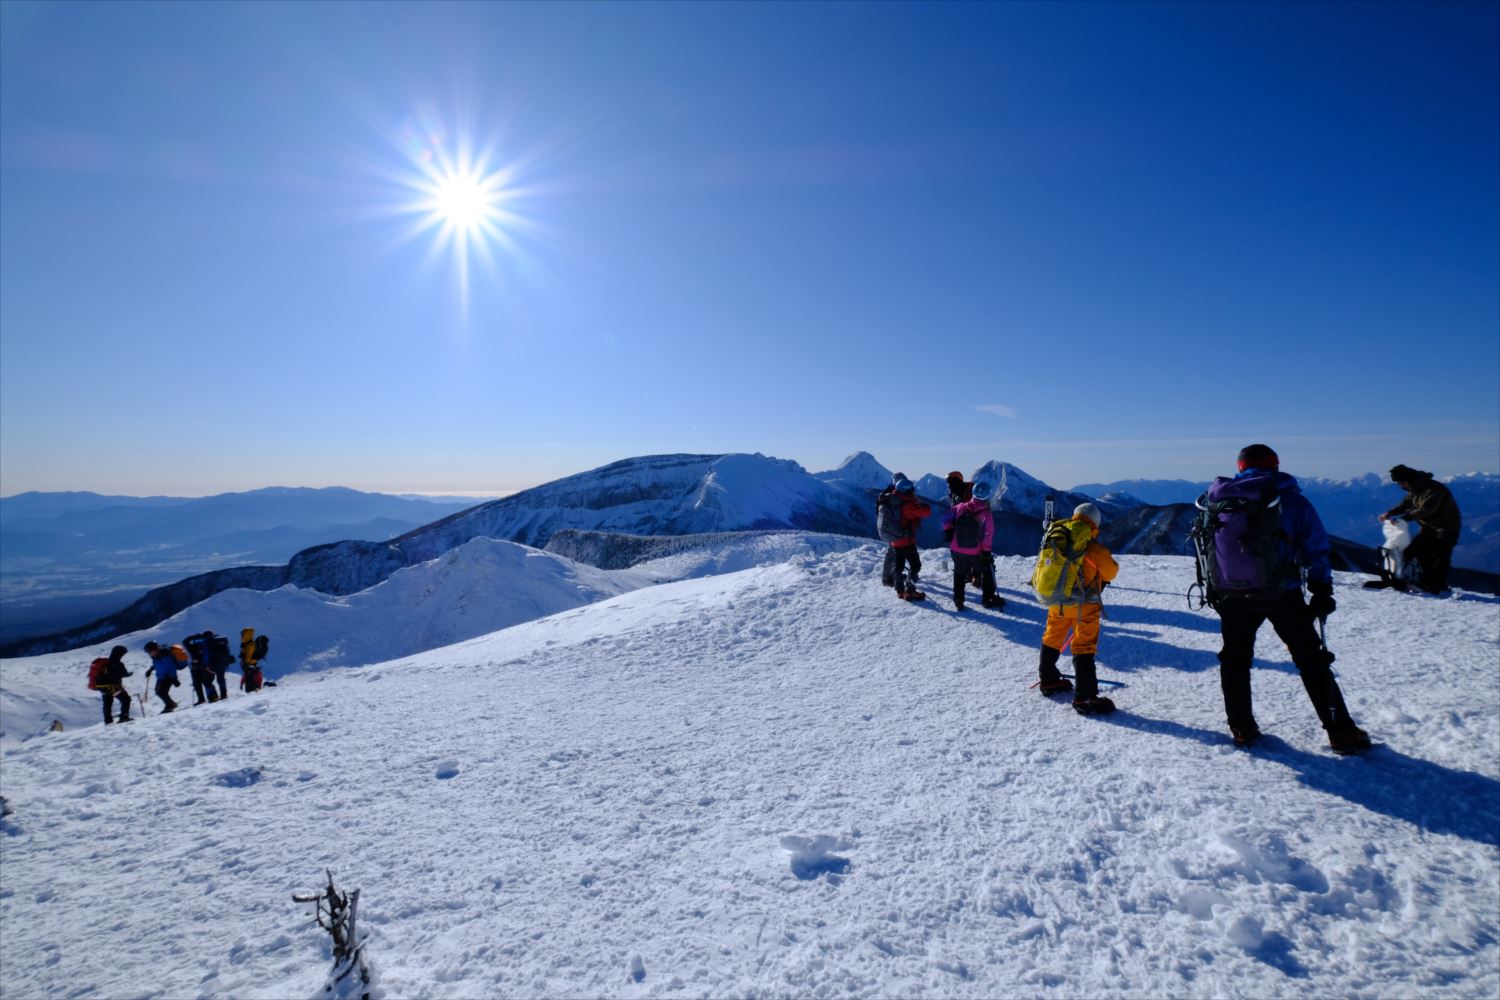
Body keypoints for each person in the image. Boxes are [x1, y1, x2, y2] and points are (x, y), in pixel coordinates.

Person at [1205, 444, 1370, 752]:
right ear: (1275, 466)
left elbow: (1206, 547)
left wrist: (1213, 587)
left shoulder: (1218, 499)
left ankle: (1242, 727)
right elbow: (1316, 548)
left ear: (1240, 467)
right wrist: (1322, 591)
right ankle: (1341, 732)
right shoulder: (1290, 500)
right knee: (1311, 660)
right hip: (1281, 593)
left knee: (1235, 660)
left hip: (1232, 594)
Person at [1035, 503, 1118, 714]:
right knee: (1084, 645)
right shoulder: (1093, 548)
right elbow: (1111, 572)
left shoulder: (1058, 538)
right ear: (1095, 523)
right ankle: (1085, 697)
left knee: (1052, 636)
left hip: (1057, 600)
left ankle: (1049, 680)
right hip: (1084, 605)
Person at [1379, 464, 1461, 594]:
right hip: (1428, 528)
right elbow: (1405, 504)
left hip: (1446, 528)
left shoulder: (1434, 489)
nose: (1400, 486)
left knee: (1439, 556)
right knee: (1413, 551)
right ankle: (1423, 581)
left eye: (1401, 483)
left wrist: (1404, 518)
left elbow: (1426, 509)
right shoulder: (1415, 490)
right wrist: (1390, 513)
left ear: (1408, 480)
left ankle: (1438, 586)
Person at [948, 479, 1004, 611]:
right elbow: (988, 535)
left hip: (956, 549)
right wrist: (986, 552)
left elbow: (945, 519)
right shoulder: (986, 513)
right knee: (988, 570)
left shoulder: (960, 506)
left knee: (959, 574)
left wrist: (949, 533)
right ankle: (987, 598)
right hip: (975, 551)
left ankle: (958, 600)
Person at [877, 475, 931, 600]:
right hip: (907, 541)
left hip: (895, 541)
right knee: (915, 565)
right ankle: (910, 590)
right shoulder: (907, 505)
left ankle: (900, 591)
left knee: (898, 566)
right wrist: (916, 500)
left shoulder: (891, 499)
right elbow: (927, 511)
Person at [96, 645, 133, 724]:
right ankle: (124, 717)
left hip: (103, 688)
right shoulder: (119, 664)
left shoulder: (105, 663)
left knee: (107, 705)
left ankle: (108, 722)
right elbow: (123, 674)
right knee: (126, 699)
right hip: (114, 688)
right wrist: (129, 674)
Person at [143, 640, 182, 713]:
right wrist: (150, 669)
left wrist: (174, 678)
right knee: (158, 692)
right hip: (161, 677)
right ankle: (171, 704)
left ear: (154, 650)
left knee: (161, 692)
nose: (149, 654)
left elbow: (171, 667)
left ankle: (170, 705)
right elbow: (157, 664)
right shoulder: (156, 656)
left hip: (168, 677)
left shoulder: (165, 655)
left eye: (149, 652)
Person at [183, 631, 219, 705]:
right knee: (204, 683)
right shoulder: (205, 645)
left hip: (196, 668)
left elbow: (185, 641)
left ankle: (203, 699)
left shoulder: (193, 646)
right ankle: (212, 697)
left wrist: (194, 637)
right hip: (202, 667)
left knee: (200, 684)